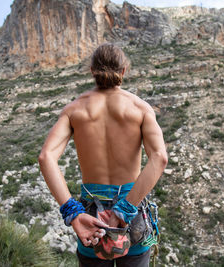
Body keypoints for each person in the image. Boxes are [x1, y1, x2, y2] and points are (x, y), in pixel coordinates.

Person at [38, 43, 168, 267]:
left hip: (91, 216)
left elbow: (46, 157)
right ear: (124, 71)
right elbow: (160, 157)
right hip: (132, 210)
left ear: (92, 71)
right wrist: (125, 209)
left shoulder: (74, 110)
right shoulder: (141, 108)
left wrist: (73, 212)